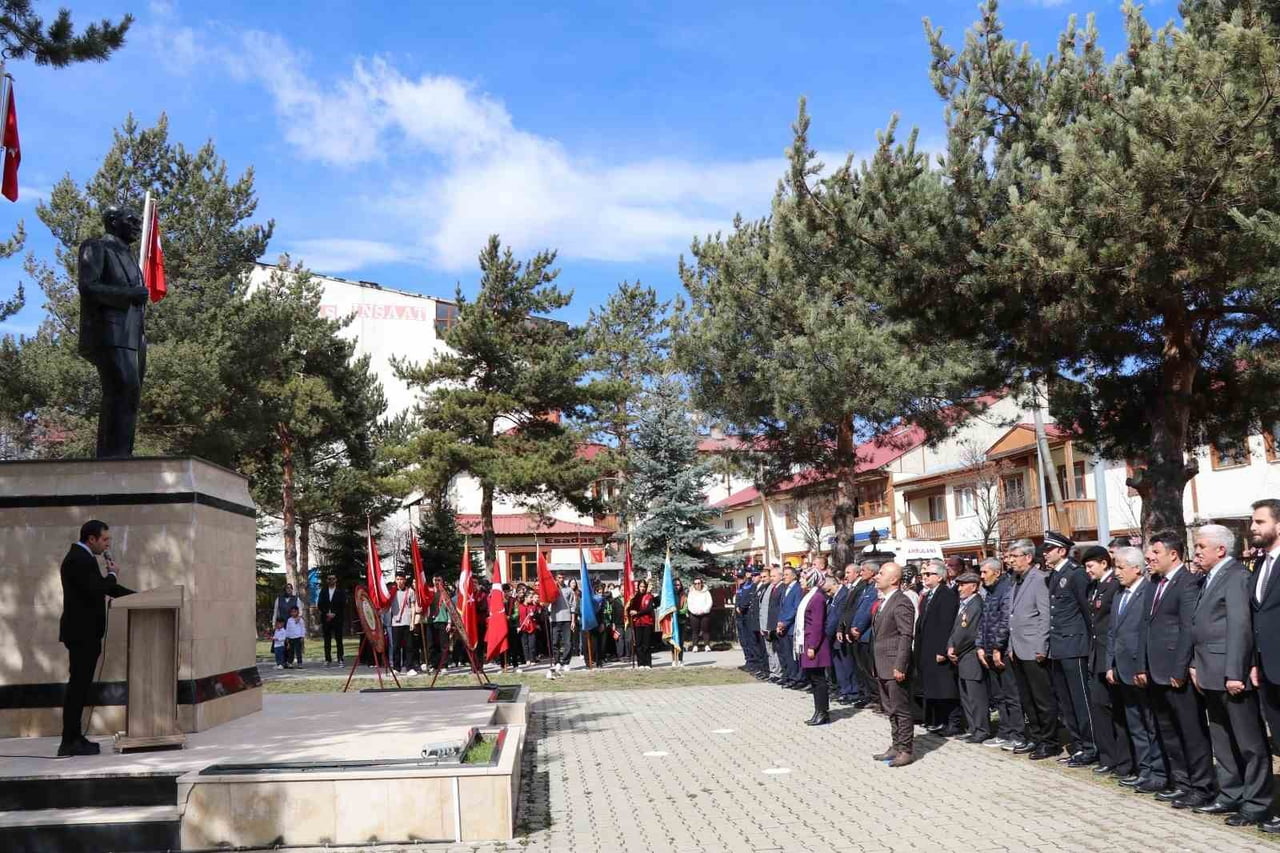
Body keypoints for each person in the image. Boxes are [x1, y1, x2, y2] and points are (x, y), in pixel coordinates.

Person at [1189, 524, 1272, 824]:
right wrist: (1196, 665)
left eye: (1200, 546)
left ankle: (1256, 802)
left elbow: (1239, 626)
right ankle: (1231, 794)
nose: (1196, 552)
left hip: (1230, 675)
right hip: (1209, 672)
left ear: (1220, 550)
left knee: (1249, 743)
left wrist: (1235, 671)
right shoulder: (1209, 577)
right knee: (1222, 740)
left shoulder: (1236, 576)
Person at [1144, 531, 1215, 808]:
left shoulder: (1188, 583)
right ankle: (1181, 782)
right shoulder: (1153, 583)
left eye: (1156, 552)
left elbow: (1187, 629)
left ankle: (1202, 786)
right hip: (1155, 670)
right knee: (1168, 731)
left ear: (1173, 554)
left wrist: (1181, 668)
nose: (1151, 557)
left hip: (1176, 673)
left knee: (1191, 731)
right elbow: (1146, 626)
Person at [58, 520, 134, 756]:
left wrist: (139, 596)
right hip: (82, 634)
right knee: (78, 688)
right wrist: (111, 574)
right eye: (105, 540)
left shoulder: (83, 558)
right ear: (91, 539)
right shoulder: (78, 559)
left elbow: (103, 588)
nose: (107, 544)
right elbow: (97, 589)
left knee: (80, 687)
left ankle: (74, 737)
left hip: (85, 633)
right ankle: (70, 741)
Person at [77, 206, 148, 458]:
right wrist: (130, 294)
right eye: (132, 220)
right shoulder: (96, 247)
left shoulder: (129, 256)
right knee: (122, 387)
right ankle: (111, 458)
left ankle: (122, 456)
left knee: (131, 395)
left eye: (139, 221)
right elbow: (89, 287)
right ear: (113, 221)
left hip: (134, 337)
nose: (138, 225)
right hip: (110, 332)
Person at [1107, 546, 1167, 794]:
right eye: (1115, 567)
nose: (1116, 572)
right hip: (1121, 668)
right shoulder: (1120, 594)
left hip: (1140, 668)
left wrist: (1143, 666)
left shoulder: (1147, 591)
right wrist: (1109, 663)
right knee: (1135, 724)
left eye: (1121, 567)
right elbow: (1113, 631)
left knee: (1150, 723)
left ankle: (1159, 772)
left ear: (1137, 568)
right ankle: (1144, 771)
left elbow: (1146, 632)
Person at [1043, 530, 1097, 767]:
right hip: (1059, 645)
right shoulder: (1054, 575)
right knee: (1067, 702)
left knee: (1080, 700)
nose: (1044, 554)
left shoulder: (1075, 575)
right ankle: (1078, 744)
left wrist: (1090, 645)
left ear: (1061, 551)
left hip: (1075, 645)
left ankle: (1091, 745)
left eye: (1048, 550)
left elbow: (1087, 613)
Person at [1008, 539, 1060, 760]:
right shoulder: (1016, 581)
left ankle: (1050, 741)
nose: (1010, 561)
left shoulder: (1039, 580)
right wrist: (1010, 646)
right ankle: (1036, 738)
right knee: (1027, 699)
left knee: (1042, 699)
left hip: (1034, 649)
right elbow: (1013, 617)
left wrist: (1041, 646)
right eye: (1009, 557)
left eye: (1015, 556)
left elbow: (1044, 615)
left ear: (1028, 557)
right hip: (1018, 648)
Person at [1246, 500, 1280, 835]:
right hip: (1268, 669)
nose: (1253, 527)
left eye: (1259, 521)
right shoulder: (1261, 565)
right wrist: (1255, 662)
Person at [1079, 545, 1126, 777]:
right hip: (1096, 655)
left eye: (1090, 566)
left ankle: (1120, 759)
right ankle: (1108, 757)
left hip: (1109, 655)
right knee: (1099, 708)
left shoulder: (1114, 585)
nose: (1087, 571)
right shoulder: (1095, 587)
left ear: (1104, 563)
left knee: (1113, 709)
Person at [977, 556, 1024, 750]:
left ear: (996, 572)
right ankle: (1004, 732)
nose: (981, 576)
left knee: (1011, 695)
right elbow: (984, 620)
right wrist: (980, 645)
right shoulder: (990, 592)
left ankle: (1018, 734)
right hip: (988, 650)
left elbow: (1005, 621)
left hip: (1002, 652)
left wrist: (997, 647)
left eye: (984, 572)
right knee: (998, 696)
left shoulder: (1006, 589)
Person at [872, 562, 916, 767]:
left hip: (894, 665)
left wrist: (900, 665)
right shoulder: (884, 601)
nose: (876, 576)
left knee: (901, 708)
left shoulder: (901, 602)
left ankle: (906, 749)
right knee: (890, 708)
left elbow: (906, 636)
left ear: (893, 579)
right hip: (882, 663)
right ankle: (896, 744)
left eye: (881, 573)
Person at [916, 559, 962, 735]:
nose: (925, 577)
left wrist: (942, 650)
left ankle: (953, 723)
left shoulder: (947, 595)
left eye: (929, 574)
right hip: (926, 647)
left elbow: (946, 624)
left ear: (940, 577)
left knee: (946, 688)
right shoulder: (929, 595)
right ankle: (939, 720)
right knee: (934, 687)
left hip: (938, 649)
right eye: (924, 574)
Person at [948, 572, 989, 742]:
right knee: (966, 696)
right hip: (961, 656)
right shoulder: (964, 605)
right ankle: (973, 728)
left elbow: (969, 633)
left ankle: (981, 730)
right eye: (959, 584)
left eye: (963, 585)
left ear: (973, 586)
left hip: (970, 655)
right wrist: (950, 645)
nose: (960, 588)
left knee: (975, 696)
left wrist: (955, 649)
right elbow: (955, 629)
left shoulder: (976, 605)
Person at [797, 569, 833, 725]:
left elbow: (817, 623)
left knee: (819, 679)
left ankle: (823, 712)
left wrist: (812, 645)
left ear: (811, 579)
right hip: (807, 641)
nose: (800, 581)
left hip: (815, 644)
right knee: (813, 679)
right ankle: (818, 710)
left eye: (803, 578)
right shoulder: (809, 596)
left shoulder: (817, 597)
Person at [849, 562, 881, 710]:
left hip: (866, 634)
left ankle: (875, 697)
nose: (861, 573)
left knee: (868, 669)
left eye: (864, 570)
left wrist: (859, 628)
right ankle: (866, 694)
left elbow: (869, 611)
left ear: (873, 572)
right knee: (861, 668)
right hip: (857, 633)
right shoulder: (865, 587)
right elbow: (858, 609)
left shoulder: (874, 589)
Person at [828, 566, 856, 704]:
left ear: (834, 584)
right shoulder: (835, 595)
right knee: (839, 665)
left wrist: (828, 633)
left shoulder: (843, 593)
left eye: (828, 588)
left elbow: (838, 616)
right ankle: (844, 690)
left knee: (846, 665)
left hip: (839, 634)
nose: (828, 592)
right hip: (835, 636)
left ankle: (851, 691)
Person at [776, 566, 803, 689]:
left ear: (794, 576)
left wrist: (785, 622)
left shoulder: (797, 589)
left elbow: (795, 608)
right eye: (783, 575)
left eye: (786, 575)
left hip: (791, 627)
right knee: (786, 653)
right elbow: (782, 608)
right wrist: (779, 623)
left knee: (793, 655)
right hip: (783, 627)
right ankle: (790, 676)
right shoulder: (785, 588)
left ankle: (797, 678)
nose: (784, 577)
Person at [317, 573, 345, 667]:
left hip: (337, 618)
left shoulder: (340, 591)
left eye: (333, 579)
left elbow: (343, 604)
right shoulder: (323, 591)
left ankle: (340, 658)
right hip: (326, 619)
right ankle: (327, 659)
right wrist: (326, 613)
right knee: (327, 640)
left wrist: (334, 613)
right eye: (329, 579)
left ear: (336, 580)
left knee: (339, 639)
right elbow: (319, 604)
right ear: (327, 580)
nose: (331, 580)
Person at [548, 574, 574, 678]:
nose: (561, 579)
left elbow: (573, 606)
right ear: (556, 579)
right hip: (555, 618)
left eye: (563, 577)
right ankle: (557, 662)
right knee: (555, 642)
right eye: (559, 577)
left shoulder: (569, 590)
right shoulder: (552, 590)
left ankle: (566, 662)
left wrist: (573, 620)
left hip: (567, 618)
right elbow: (546, 601)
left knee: (568, 642)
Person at [734, 571, 759, 673]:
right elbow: (737, 600)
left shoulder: (749, 586)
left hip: (746, 616)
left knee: (749, 641)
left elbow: (747, 600)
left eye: (741, 577)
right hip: (740, 617)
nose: (739, 579)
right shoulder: (740, 587)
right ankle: (748, 661)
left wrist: (741, 608)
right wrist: (737, 607)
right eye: (738, 578)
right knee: (743, 641)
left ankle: (753, 663)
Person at [628, 579, 656, 669]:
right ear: (638, 587)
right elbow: (630, 608)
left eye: (644, 586)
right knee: (639, 644)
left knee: (646, 644)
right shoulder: (635, 597)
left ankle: (648, 663)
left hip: (647, 623)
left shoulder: (649, 597)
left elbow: (648, 609)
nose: (642, 588)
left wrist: (637, 613)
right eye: (641, 586)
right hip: (638, 623)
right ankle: (640, 663)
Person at [688, 577, 713, 652]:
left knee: (706, 630)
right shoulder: (691, 593)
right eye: (695, 583)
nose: (697, 585)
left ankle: (707, 645)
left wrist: (704, 610)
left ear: (701, 584)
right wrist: (695, 611)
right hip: (694, 614)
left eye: (699, 583)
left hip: (704, 614)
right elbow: (690, 604)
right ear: (694, 585)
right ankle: (695, 645)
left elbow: (709, 602)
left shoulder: (706, 592)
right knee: (695, 631)